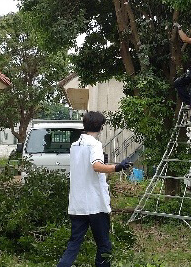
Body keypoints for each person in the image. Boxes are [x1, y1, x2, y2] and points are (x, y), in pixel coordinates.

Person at [57, 111, 131, 267]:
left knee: (74, 243)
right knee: (104, 245)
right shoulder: (95, 144)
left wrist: (105, 164)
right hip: (95, 205)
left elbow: (85, 167)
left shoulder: (75, 145)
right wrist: (117, 167)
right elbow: (96, 166)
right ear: (101, 127)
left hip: (77, 204)